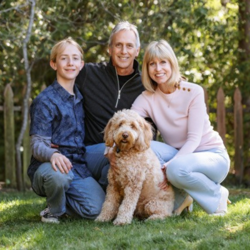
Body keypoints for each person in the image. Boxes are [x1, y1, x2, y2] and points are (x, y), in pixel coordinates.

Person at [131, 39, 230, 215]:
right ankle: (183, 194)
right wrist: (112, 147)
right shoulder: (147, 97)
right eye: (152, 64)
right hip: (180, 156)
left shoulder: (193, 92)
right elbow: (128, 121)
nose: (158, 68)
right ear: (146, 68)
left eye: (163, 62)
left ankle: (217, 194)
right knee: (145, 147)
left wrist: (171, 165)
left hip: (212, 157)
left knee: (176, 169)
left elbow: (194, 139)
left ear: (172, 64)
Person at [76, 21, 173, 191]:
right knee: (118, 164)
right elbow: (62, 94)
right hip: (93, 150)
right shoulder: (88, 74)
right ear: (110, 48)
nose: (123, 51)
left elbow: (152, 128)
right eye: (118, 45)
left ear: (137, 51)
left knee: (129, 164)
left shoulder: (146, 84)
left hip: (129, 152)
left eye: (129, 46)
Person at [27, 37, 105, 223]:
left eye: (75, 58)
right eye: (64, 58)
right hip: (50, 167)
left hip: (77, 162)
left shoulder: (80, 96)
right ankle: (54, 211)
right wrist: (53, 154)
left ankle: (64, 198)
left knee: (98, 211)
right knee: (58, 176)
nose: (70, 63)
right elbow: (37, 145)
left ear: (81, 64)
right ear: (54, 64)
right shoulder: (45, 101)